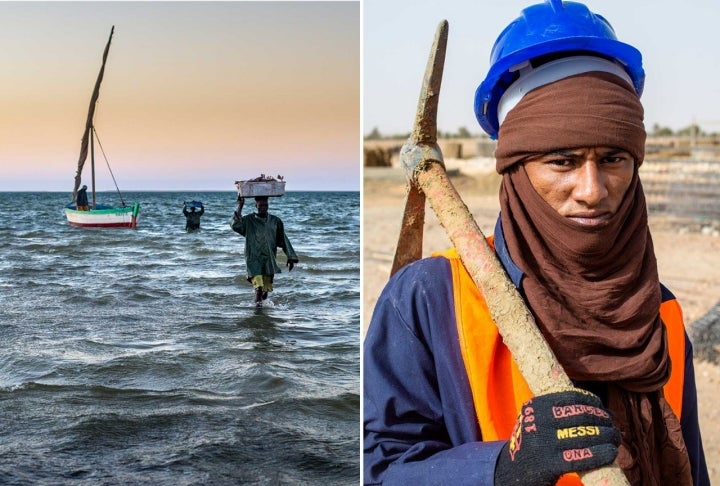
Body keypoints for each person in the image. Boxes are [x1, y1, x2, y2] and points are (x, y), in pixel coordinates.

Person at [363, 1, 710, 485]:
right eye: (562, 162)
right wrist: (501, 469)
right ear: (516, 169)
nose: (592, 190)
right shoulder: (429, 299)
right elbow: (379, 469)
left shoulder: (662, 314)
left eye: (613, 158)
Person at [230, 195, 298, 307]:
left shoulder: (275, 221)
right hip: (253, 260)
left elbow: (283, 239)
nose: (263, 207)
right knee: (259, 289)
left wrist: (290, 257)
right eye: (261, 205)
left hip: (268, 261)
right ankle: (257, 315)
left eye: (265, 205)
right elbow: (235, 224)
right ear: (256, 205)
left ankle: (262, 315)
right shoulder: (249, 220)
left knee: (265, 291)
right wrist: (240, 206)